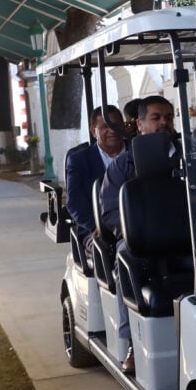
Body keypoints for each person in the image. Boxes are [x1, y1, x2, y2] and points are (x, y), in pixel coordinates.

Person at [99, 95, 175, 374]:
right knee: (125, 258)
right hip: (139, 239)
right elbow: (110, 211)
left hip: (186, 235)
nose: (163, 123)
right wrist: (137, 232)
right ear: (140, 124)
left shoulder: (186, 157)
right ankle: (132, 341)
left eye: (168, 117)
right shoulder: (123, 165)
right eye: (156, 118)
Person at [65, 105, 124, 257]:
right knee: (105, 249)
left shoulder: (136, 153)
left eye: (116, 125)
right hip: (95, 229)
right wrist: (97, 226)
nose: (112, 130)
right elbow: (75, 203)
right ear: (93, 131)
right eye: (105, 127)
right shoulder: (79, 160)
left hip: (134, 226)